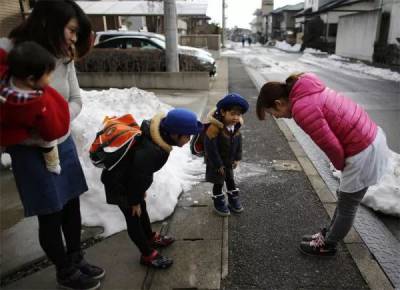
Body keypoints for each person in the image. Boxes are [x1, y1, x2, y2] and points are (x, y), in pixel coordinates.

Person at [3, 1, 105, 289]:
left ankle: (76, 257)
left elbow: (76, 100)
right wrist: (33, 129)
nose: (74, 39)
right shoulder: (9, 52)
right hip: (29, 151)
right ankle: (64, 270)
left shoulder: (64, 57)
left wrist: (54, 122)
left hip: (62, 141)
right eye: (72, 30)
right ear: (49, 21)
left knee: (72, 204)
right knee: (50, 213)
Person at [256, 72, 390, 256]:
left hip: (363, 152)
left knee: (347, 205)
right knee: (344, 198)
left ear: (279, 103)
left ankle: (328, 244)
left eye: (274, 113)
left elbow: (331, 146)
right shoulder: (307, 91)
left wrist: (341, 166)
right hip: (370, 138)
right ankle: (329, 234)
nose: (277, 117)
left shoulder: (302, 109)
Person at [101, 108, 203, 269]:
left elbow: (140, 174)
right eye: (187, 136)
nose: (188, 140)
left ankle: (149, 237)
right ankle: (147, 254)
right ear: (175, 134)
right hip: (119, 185)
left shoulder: (158, 136)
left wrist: (139, 193)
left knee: (142, 210)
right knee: (133, 218)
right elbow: (139, 175)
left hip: (130, 181)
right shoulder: (152, 151)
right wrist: (134, 199)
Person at [0, 41, 70, 175]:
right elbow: (50, 129)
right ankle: (53, 164)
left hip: (6, 130)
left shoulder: (5, 78)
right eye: (48, 74)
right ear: (31, 80)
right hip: (22, 132)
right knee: (48, 142)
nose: (51, 78)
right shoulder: (37, 103)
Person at [204, 93, 249, 216]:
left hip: (228, 162)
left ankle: (233, 199)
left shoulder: (235, 128)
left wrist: (237, 158)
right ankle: (219, 201)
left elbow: (239, 144)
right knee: (218, 183)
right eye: (233, 114)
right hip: (216, 163)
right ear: (223, 112)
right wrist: (218, 164)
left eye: (238, 114)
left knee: (230, 180)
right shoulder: (214, 129)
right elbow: (211, 149)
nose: (236, 117)